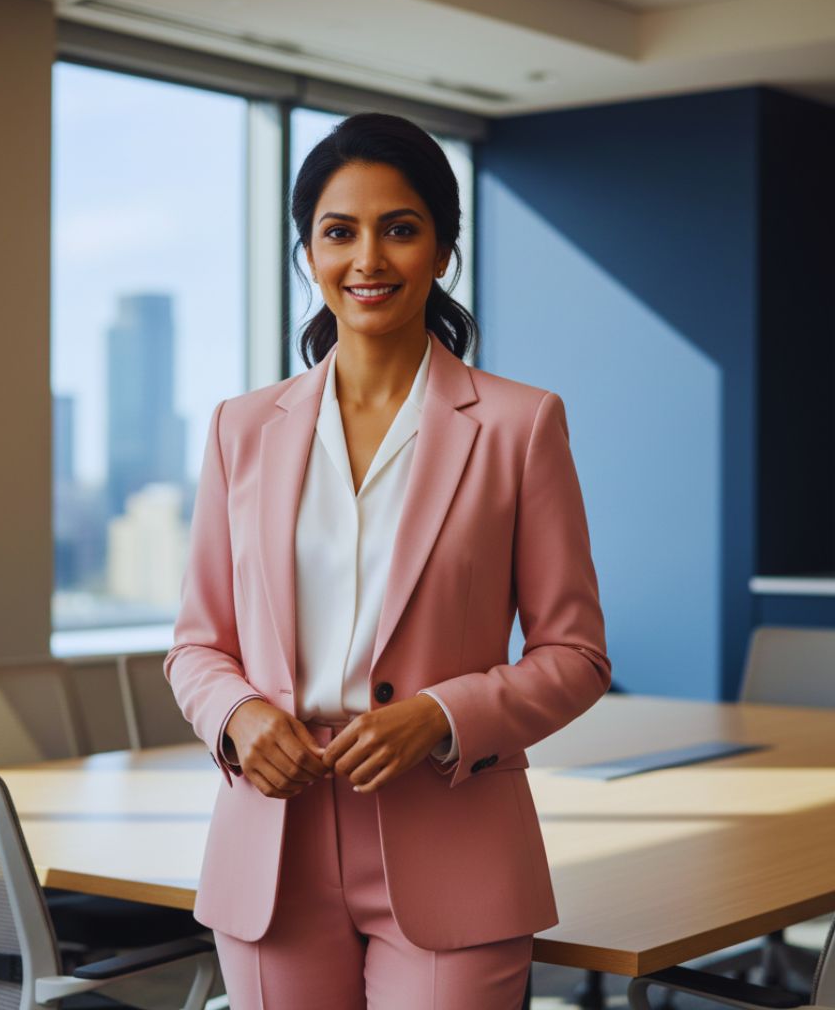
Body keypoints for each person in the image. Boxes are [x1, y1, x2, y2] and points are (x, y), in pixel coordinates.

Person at [164, 111, 611, 1010]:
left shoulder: (521, 426)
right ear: (308, 254)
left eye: (400, 229)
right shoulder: (240, 430)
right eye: (339, 232)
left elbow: (576, 656)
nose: (367, 259)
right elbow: (195, 645)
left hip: (455, 837)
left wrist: (442, 715)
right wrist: (241, 717)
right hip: (273, 846)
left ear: (442, 251)